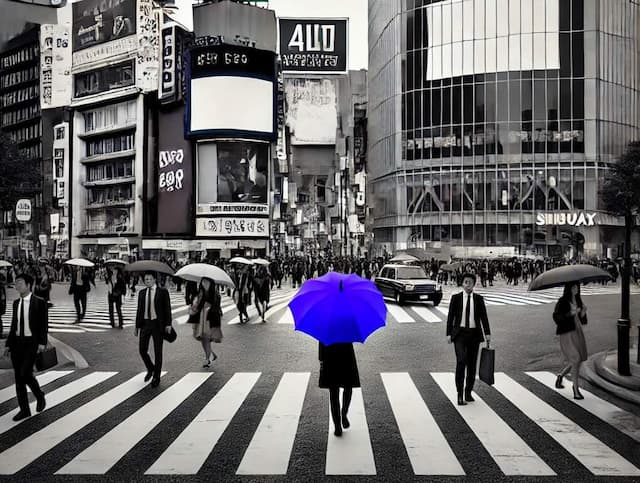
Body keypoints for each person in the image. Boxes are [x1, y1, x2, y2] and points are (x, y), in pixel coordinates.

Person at [3, 273, 47, 421]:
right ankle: (24, 410)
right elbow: (14, 324)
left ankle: (39, 395)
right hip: (17, 343)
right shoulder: (16, 303)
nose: (17, 285)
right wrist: (8, 345)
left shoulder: (39, 302)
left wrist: (42, 342)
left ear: (29, 285)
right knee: (19, 378)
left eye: (20, 283)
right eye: (16, 283)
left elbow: (43, 325)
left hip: (31, 344)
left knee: (25, 373)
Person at [446, 272, 492, 406]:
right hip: (459, 334)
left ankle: (468, 392)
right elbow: (450, 317)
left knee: (472, 365)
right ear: (462, 283)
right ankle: (459, 394)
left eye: (470, 282)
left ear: (473, 284)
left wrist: (487, 333)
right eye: (465, 282)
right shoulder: (456, 298)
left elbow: (484, 317)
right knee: (461, 361)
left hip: (474, 335)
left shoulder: (478, 299)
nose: (467, 285)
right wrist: (449, 334)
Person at [135, 272, 173, 388]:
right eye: (146, 279)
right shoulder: (142, 293)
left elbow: (167, 308)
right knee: (142, 350)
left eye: (150, 279)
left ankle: (156, 376)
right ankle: (150, 368)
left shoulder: (162, 292)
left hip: (158, 324)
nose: (148, 281)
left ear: (154, 280)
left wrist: (168, 324)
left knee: (158, 351)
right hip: (145, 324)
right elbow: (139, 310)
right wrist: (137, 327)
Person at [553, 282, 588, 400]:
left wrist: (583, 312)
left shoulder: (578, 300)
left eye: (577, 287)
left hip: (577, 331)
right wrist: (570, 313)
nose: (576, 289)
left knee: (578, 360)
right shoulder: (562, 301)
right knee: (576, 359)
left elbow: (582, 319)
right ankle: (576, 389)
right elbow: (556, 316)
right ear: (568, 288)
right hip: (567, 333)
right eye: (573, 287)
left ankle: (560, 376)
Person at [319, 342, 360, 436]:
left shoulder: (326, 326)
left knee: (334, 392)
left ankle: (337, 426)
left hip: (329, 355)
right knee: (348, 387)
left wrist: (321, 358)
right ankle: (344, 414)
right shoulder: (348, 326)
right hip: (346, 355)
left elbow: (321, 340)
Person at [188, 277, 223, 368]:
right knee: (203, 339)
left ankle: (207, 359)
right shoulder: (200, 293)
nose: (204, 284)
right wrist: (195, 304)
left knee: (206, 338)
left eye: (207, 282)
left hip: (209, 319)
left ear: (211, 283)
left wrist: (209, 307)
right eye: (203, 282)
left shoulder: (215, 294)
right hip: (200, 318)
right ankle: (212, 354)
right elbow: (196, 305)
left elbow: (217, 308)